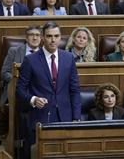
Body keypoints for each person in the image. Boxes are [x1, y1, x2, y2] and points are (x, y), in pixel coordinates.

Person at [16, 22, 81, 153]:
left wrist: (76, 117)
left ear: (60, 37)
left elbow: (74, 90)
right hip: (41, 116)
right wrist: (33, 99)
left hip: (64, 116)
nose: (53, 40)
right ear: (42, 37)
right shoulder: (30, 60)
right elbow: (20, 90)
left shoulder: (68, 58)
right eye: (49, 36)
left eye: (56, 36)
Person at [0, 25, 41, 109]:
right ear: (26, 38)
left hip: (39, 91)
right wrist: (18, 81)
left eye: (37, 35)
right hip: (17, 90)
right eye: (31, 35)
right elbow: (4, 73)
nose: (35, 38)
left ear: (41, 38)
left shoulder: (44, 54)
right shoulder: (14, 51)